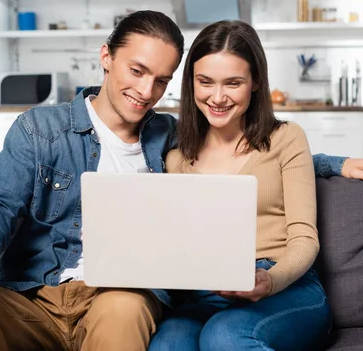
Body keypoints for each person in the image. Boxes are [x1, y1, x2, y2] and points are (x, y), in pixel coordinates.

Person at [0, 11, 363, 351]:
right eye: (137, 71)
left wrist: (333, 163)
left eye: (160, 80)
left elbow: (266, 153)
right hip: (55, 292)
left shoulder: (168, 136)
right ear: (106, 57)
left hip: (164, 293)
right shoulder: (73, 133)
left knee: (186, 326)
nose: (146, 91)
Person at [149, 20, 348, 351]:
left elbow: (304, 238)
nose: (217, 97)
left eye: (233, 83)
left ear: (255, 82)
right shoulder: (175, 159)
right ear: (191, 83)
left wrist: (270, 281)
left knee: (225, 336)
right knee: (167, 344)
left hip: (287, 286)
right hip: (206, 292)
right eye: (205, 82)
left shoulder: (287, 139)